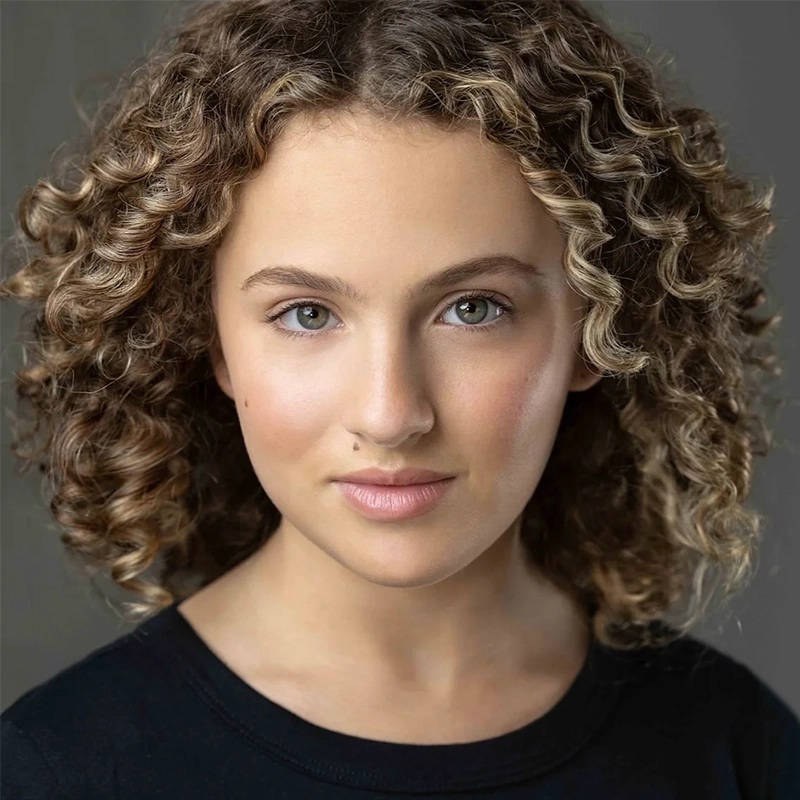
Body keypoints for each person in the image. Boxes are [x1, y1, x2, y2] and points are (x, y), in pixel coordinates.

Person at [1, 0, 797, 797]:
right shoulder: (58, 769)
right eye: (306, 315)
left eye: (473, 309)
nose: (390, 414)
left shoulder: (736, 752)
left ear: (598, 325)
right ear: (211, 342)